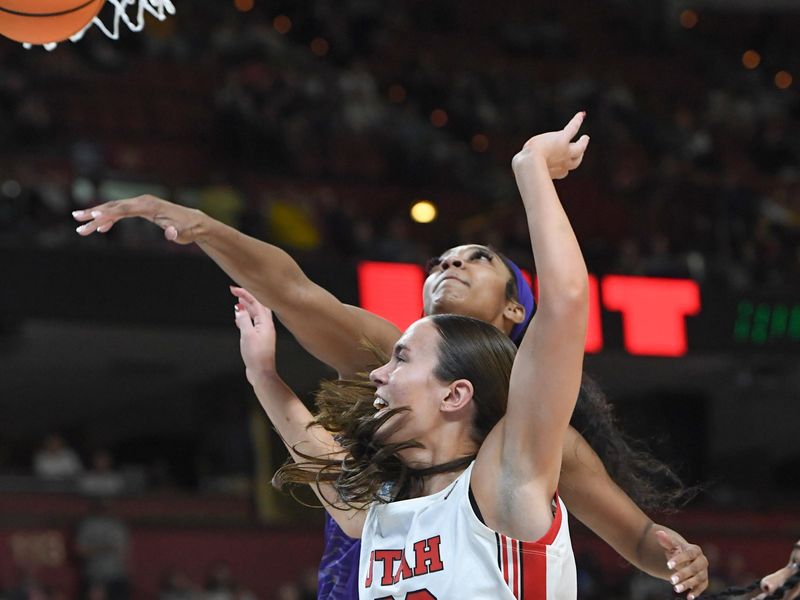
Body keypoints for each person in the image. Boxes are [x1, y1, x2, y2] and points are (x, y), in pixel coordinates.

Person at [74, 113, 708, 598]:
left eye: (477, 257)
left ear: (517, 311)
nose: (451, 262)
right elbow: (294, 294)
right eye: (441, 259)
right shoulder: (392, 353)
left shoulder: (529, 432)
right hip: (372, 560)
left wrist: (669, 556)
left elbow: (633, 536)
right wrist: (201, 226)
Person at [234, 116, 590, 597]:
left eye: (401, 359)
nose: (378, 374)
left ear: (455, 393)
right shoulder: (378, 513)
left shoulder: (506, 478)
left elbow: (565, 302)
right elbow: (320, 456)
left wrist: (531, 170)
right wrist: (262, 374)